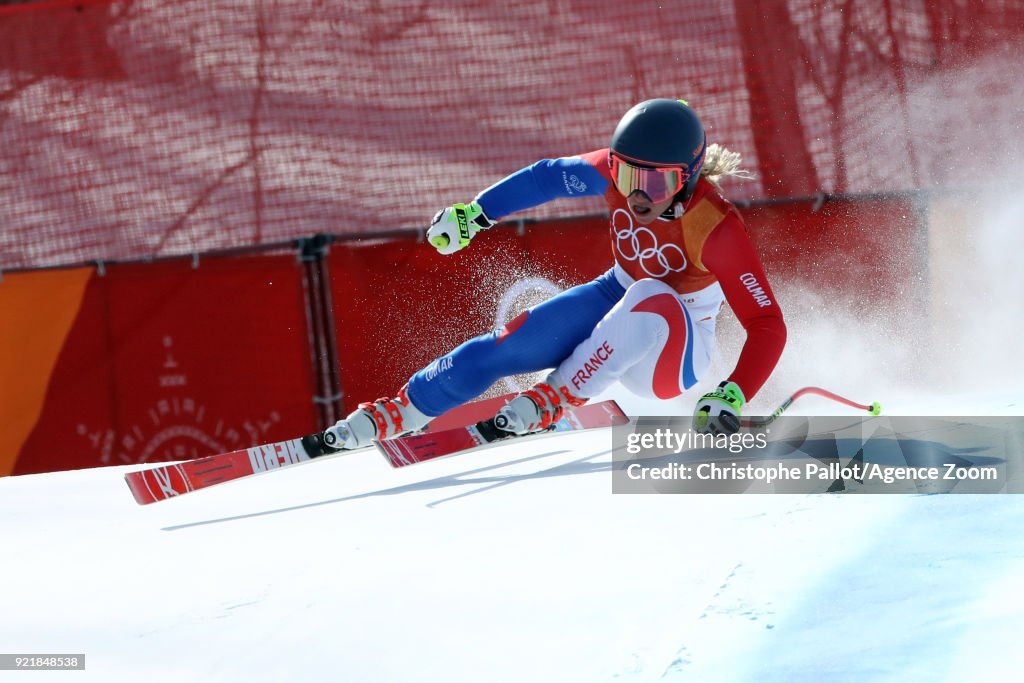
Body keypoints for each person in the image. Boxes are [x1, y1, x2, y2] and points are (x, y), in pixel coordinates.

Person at [323, 98, 787, 450]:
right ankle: (401, 410)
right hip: (617, 299)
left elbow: (767, 325)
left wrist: (732, 394)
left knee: (650, 293)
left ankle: (557, 396)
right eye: (627, 178)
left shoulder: (717, 228)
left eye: (655, 183)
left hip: (674, 357)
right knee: (503, 345)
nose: (638, 197)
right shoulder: (612, 172)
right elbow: (547, 176)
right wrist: (475, 214)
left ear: (685, 177)